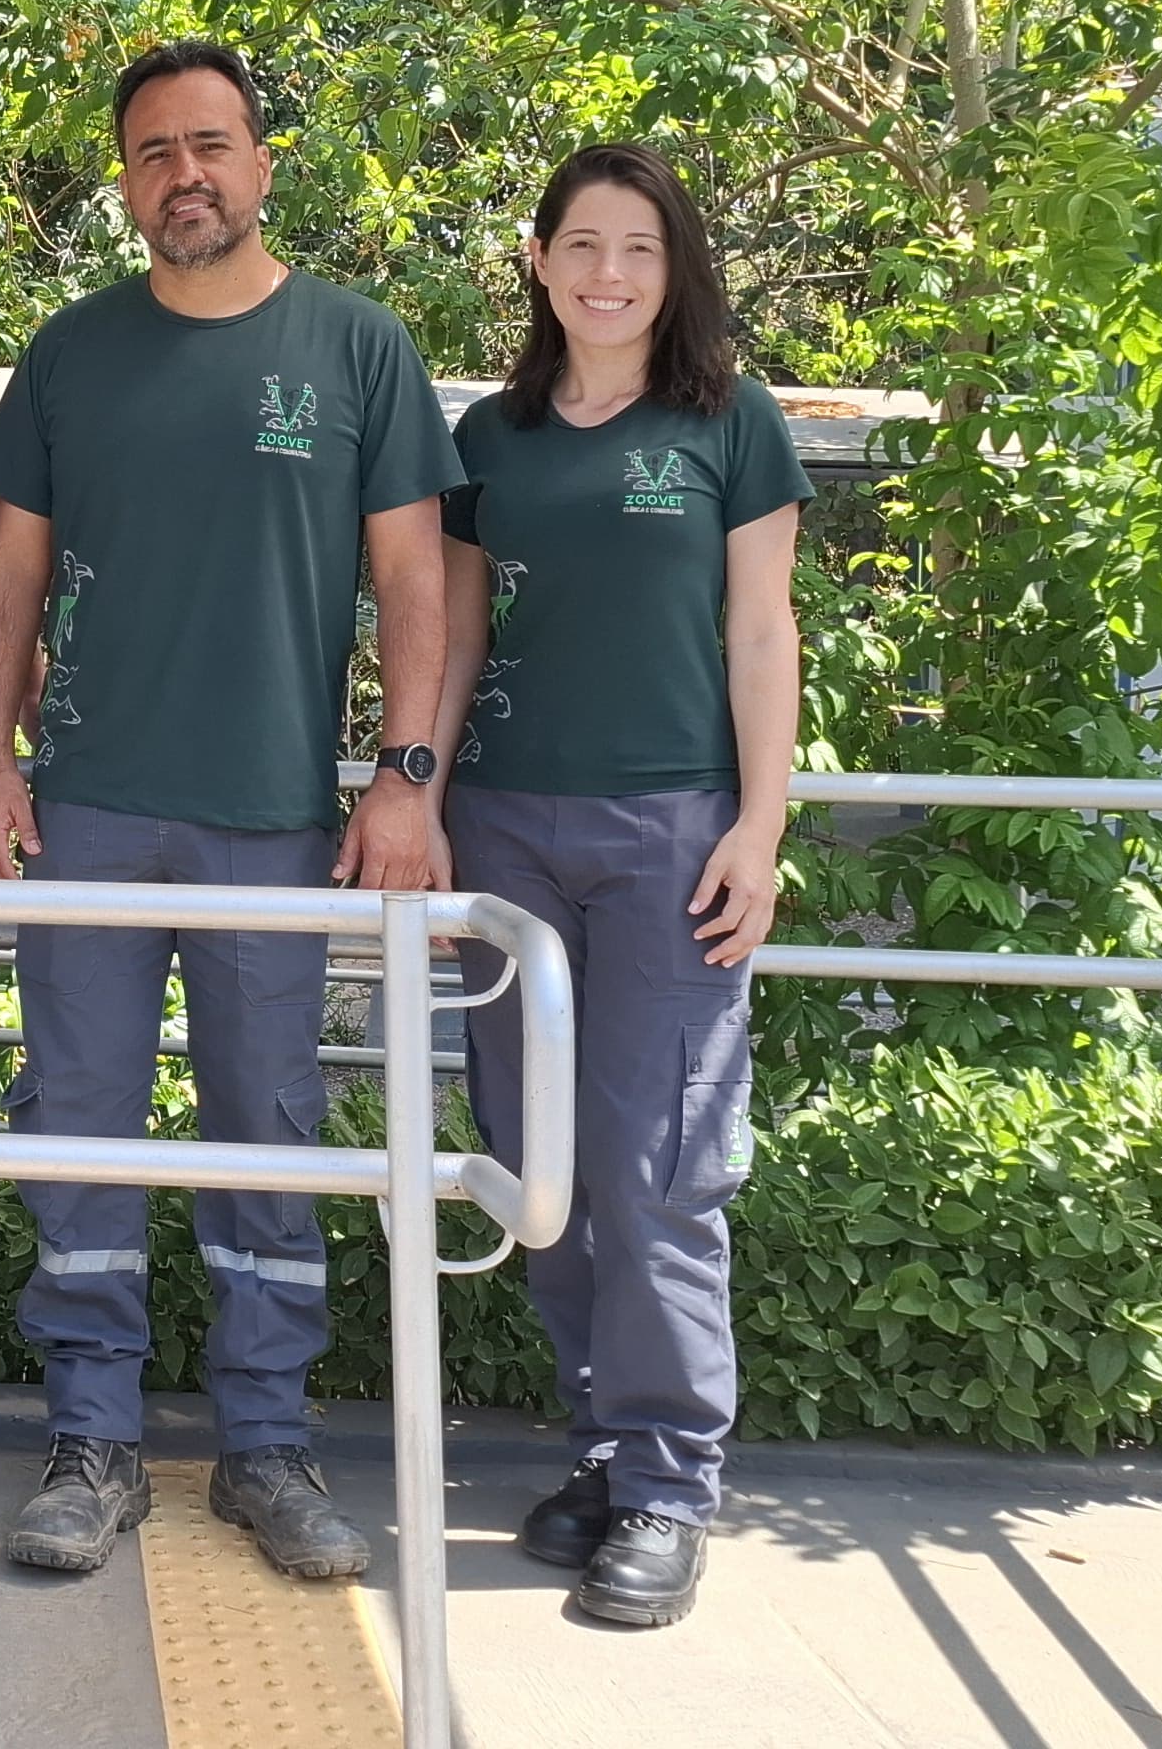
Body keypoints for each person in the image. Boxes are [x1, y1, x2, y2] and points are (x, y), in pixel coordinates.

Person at [0, 41, 456, 1581]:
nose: (186, 173)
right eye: (154, 151)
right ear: (125, 186)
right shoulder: (71, 354)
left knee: (270, 1136)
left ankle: (267, 1448)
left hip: (271, 819)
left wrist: (406, 774)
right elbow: (10, 577)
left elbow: (414, 581)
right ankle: (93, 1443)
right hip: (91, 811)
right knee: (85, 1135)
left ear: (261, 161)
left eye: (212, 143)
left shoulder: (358, 348)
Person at [427, 143, 806, 1630]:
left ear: (674, 267)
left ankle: (665, 1485)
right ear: (539, 261)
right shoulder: (491, 441)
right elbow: (453, 646)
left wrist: (759, 826)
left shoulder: (729, 424)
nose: (607, 273)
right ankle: (601, 1437)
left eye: (638, 248)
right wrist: (419, 802)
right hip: (505, 831)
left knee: (661, 1170)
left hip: (669, 834)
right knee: (540, 1169)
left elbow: (761, 638)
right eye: (582, 244)